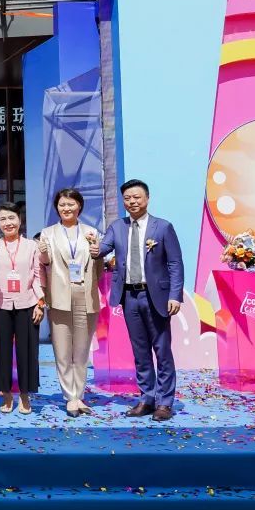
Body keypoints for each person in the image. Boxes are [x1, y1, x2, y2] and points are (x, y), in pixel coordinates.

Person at [91, 179, 184, 421]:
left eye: (136, 197)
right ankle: (146, 398)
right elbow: (103, 249)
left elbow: (175, 263)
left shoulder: (162, 227)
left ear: (147, 199)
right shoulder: (117, 227)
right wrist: (93, 247)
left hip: (156, 297)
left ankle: (165, 402)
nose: (132, 201)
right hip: (129, 296)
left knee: (162, 350)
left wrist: (175, 295)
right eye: (127, 198)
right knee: (140, 351)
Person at [38, 188, 101, 418]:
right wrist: (43, 254)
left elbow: (98, 268)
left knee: (81, 350)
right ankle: (70, 397)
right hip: (60, 294)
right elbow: (44, 265)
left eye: (71, 204)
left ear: (79, 206)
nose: (66, 208)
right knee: (63, 349)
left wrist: (98, 253)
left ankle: (79, 394)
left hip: (86, 293)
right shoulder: (48, 233)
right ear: (57, 207)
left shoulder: (91, 232)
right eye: (62, 204)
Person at [0, 202, 44, 415]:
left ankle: (25, 395)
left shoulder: (31, 246)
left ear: (20, 220)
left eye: (11, 218)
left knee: (27, 351)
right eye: (3, 219)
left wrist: (40, 302)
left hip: (27, 303)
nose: (8, 223)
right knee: (0, 351)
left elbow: (38, 275)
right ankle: (6, 394)